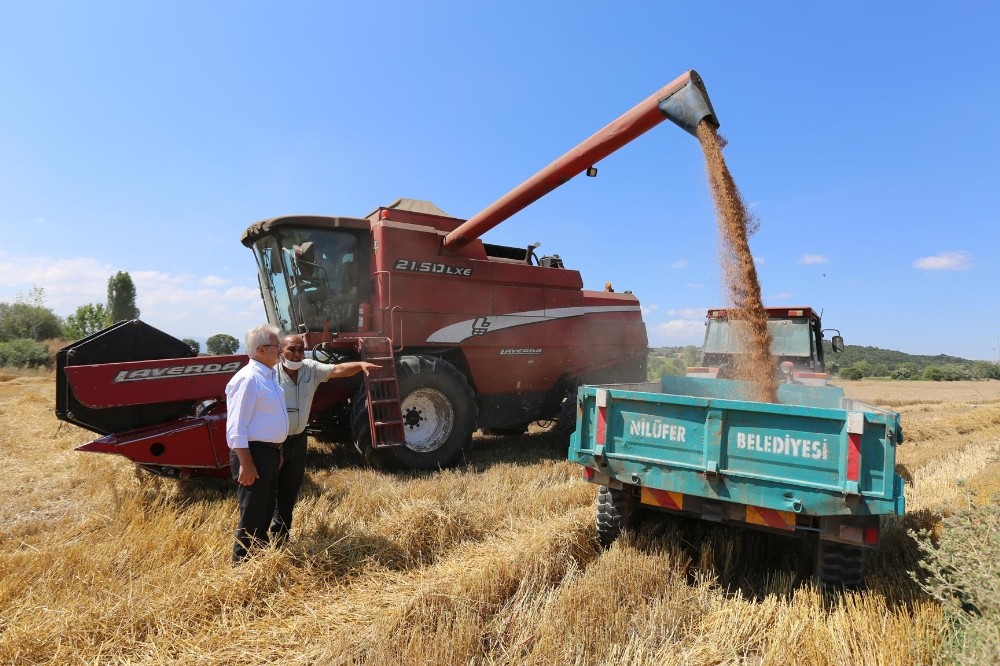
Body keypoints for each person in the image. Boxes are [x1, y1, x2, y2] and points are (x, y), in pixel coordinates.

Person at [270, 334, 379, 544]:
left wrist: (361, 364)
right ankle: (257, 537)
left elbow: (338, 370)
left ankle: (280, 536)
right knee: (268, 489)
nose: (297, 354)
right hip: (274, 440)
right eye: (292, 349)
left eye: (301, 349)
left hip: (299, 439)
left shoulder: (310, 368)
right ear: (280, 351)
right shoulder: (269, 375)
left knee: (289, 489)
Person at [225, 324, 288, 564]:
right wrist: (246, 463)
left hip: (269, 453)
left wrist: (277, 450)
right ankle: (241, 567)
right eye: (276, 345)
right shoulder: (249, 379)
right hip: (253, 454)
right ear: (262, 350)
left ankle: (259, 562)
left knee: (264, 511)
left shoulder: (269, 377)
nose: (280, 349)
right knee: (251, 514)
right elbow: (236, 427)